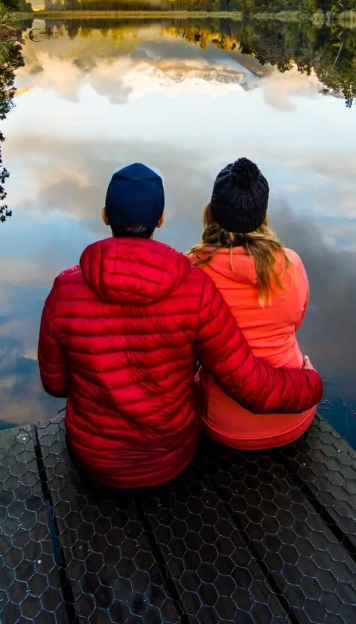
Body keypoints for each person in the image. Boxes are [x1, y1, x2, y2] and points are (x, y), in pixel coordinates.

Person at [38, 162, 322, 492]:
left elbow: (55, 384)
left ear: (104, 215)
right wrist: (311, 384)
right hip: (171, 462)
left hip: (94, 462)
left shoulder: (65, 289)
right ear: (160, 219)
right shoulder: (193, 287)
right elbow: (248, 382)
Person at [188, 157, 316, 450]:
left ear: (212, 211)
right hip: (295, 415)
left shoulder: (192, 271)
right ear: (262, 215)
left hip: (222, 425)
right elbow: (296, 323)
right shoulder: (291, 264)